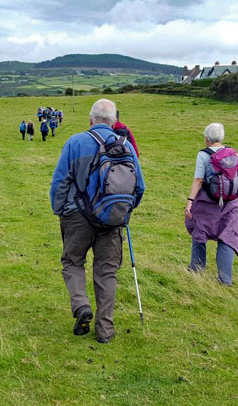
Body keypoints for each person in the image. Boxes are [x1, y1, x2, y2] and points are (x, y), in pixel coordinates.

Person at [50, 99, 145, 344]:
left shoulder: (75, 142)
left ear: (90, 120)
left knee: (72, 261)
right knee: (106, 272)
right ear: (114, 121)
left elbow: (60, 182)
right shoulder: (126, 146)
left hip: (77, 217)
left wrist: (60, 210)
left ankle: (81, 305)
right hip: (113, 221)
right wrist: (122, 211)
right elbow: (140, 187)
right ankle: (105, 330)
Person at [185, 123, 238, 285]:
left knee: (199, 232)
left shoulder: (203, 155)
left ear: (206, 138)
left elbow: (198, 180)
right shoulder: (234, 154)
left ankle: (196, 269)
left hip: (207, 202)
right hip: (230, 203)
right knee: (227, 237)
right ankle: (225, 279)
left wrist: (190, 202)